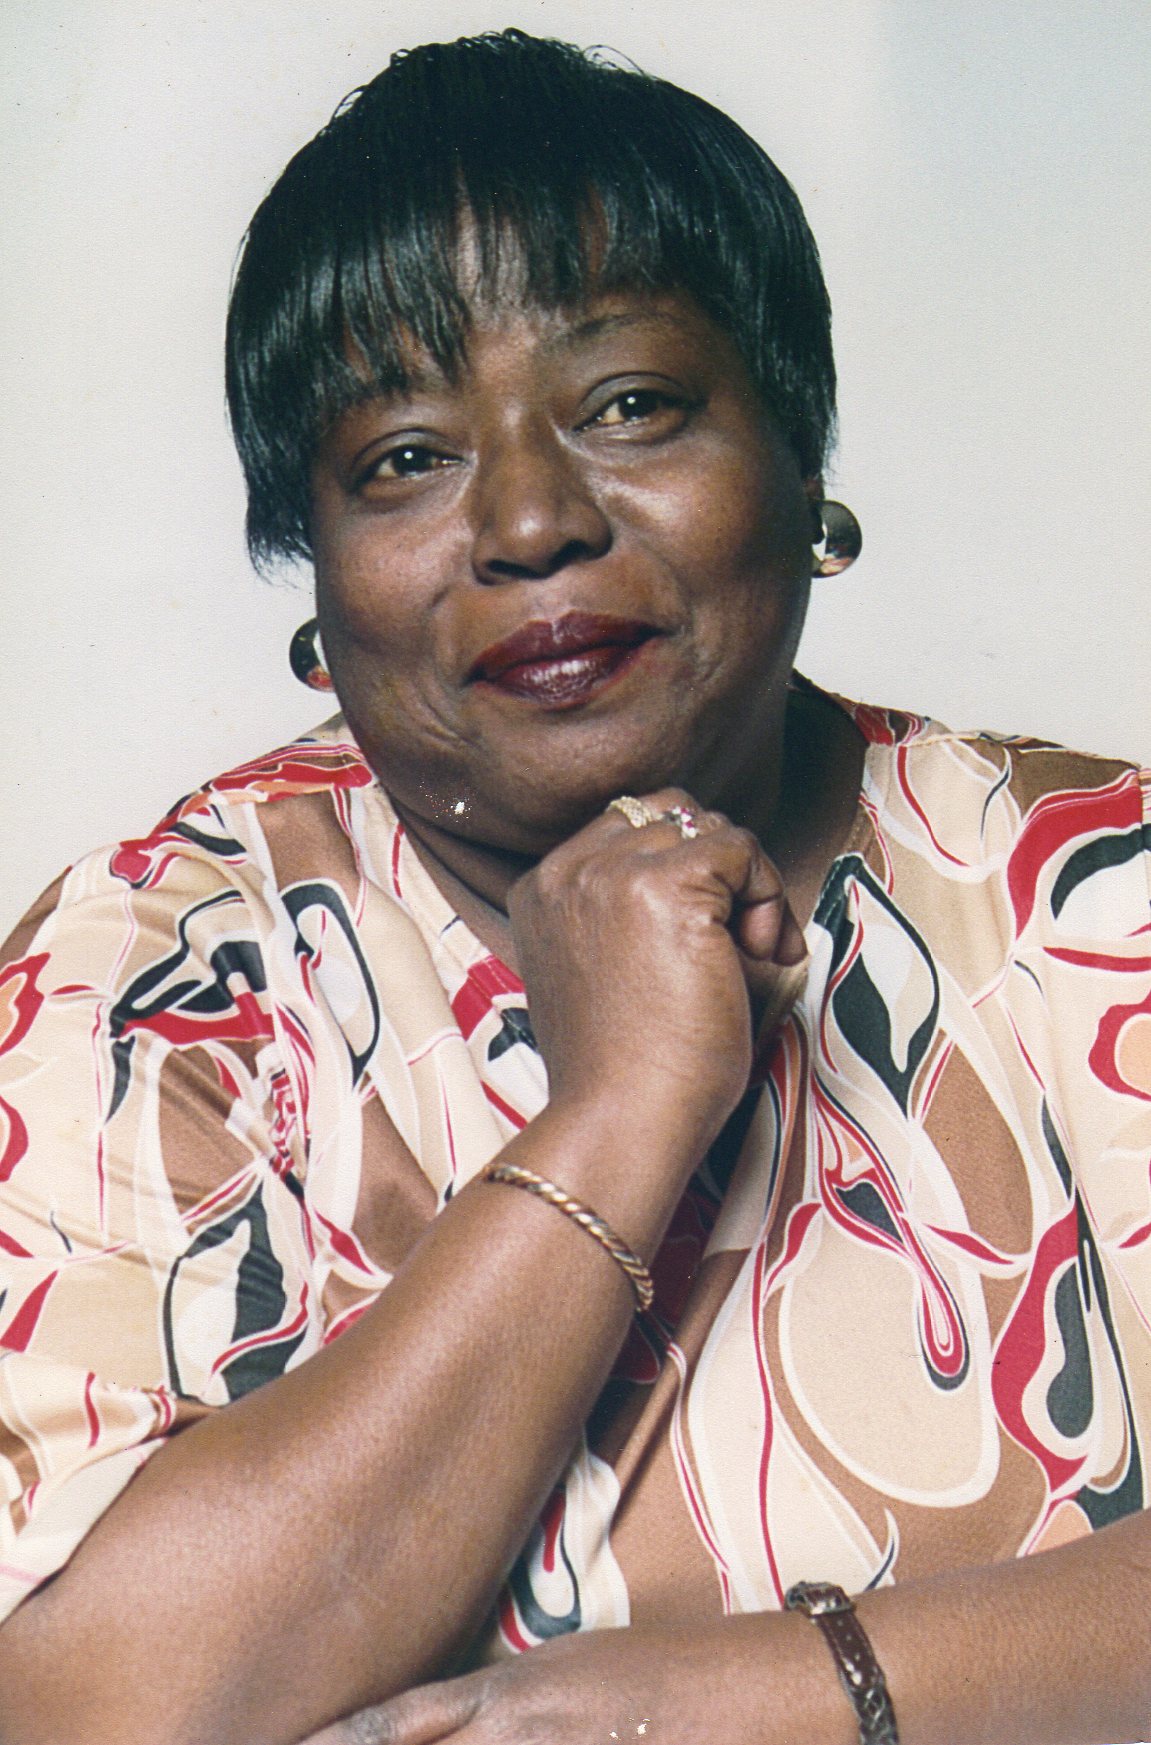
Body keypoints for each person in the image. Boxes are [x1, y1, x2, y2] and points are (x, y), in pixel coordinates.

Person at [0, 28, 1147, 1745]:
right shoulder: (148, 978)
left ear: (801, 460)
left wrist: (750, 1701)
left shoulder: (1096, 894)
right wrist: (616, 1115)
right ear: (317, 575)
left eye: (629, 405)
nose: (532, 521)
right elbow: (87, 1713)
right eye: (405, 455)